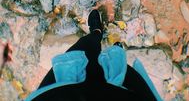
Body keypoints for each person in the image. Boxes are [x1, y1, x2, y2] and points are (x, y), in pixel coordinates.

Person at [25, 10, 161, 101]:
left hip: (65, 94)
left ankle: (96, 33)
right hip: (118, 95)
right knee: (120, 70)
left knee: (82, 49)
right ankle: (112, 50)